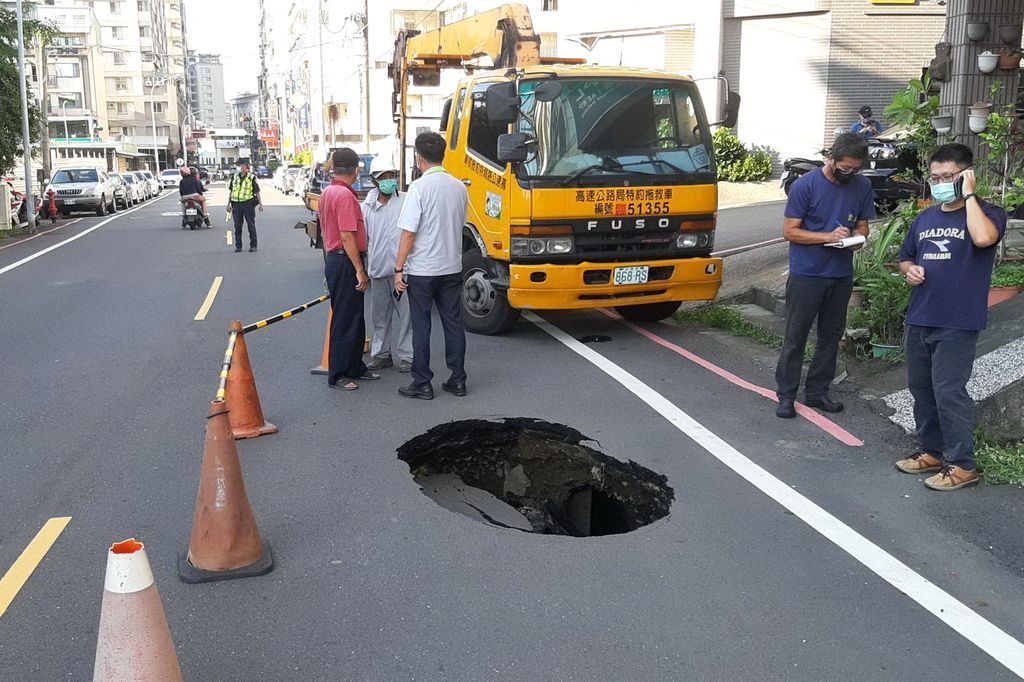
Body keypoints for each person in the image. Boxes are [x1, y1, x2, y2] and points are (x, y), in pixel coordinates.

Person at [894, 144, 1005, 491]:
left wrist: (970, 197)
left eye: (949, 177)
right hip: (921, 315)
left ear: (967, 175)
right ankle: (932, 451)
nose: (940, 182)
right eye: (935, 177)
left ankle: (962, 465)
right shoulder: (925, 218)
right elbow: (905, 258)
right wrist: (910, 270)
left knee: (949, 392)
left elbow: (984, 239)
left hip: (957, 320)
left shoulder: (988, 213)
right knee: (921, 389)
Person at [775, 132, 875, 418]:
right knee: (796, 336)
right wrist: (826, 236)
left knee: (831, 336)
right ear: (830, 158)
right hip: (807, 273)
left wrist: (854, 237)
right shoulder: (805, 186)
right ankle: (786, 395)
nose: (850, 173)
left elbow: (865, 227)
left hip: (840, 273)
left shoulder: (862, 185)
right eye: (845, 168)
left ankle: (818, 392)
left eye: (856, 169)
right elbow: (790, 231)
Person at [394, 132, 469, 400]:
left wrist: (399, 268)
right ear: (443, 154)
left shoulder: (418, 188)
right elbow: (460, 223)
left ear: (418, 157)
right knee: (453, 323)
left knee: (421, 325)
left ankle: (423, 382)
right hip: (451, 266)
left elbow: (408, 234)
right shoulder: (459, 186)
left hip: (423, 270)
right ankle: (457, 379)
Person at [319, 147, 378, 391]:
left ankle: (355, 366)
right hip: (345, 260)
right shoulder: (343, 196)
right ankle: (339, 373)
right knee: (344, 317)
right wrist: (359, 270)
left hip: (337, 259)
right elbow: (346, 235)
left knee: (354, 315)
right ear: (355, 170)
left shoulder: (328, 192)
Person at [362, 162, 413, 373]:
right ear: (374, 180)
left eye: (391, 176)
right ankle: (382, 355)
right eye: (383, 177)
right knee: (380, 316)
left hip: (403, 270)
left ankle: (408, 356)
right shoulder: (366, 207)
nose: (388, 180)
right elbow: (363, 239)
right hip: (378, 270)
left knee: (407, 317)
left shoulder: (406, 201)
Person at [228, 162, 263, 252]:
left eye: (243, 166)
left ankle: (253, 245)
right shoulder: (235, 177)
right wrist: (228, 204)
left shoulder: (251, 177)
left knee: (251, 225)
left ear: (247, 168)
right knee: (237, 226)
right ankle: (238, 246)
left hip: (248, 204)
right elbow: (231, 191)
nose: (241, 168)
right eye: (241, 166)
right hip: (236, 204)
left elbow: (257, 191)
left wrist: (260, 204)